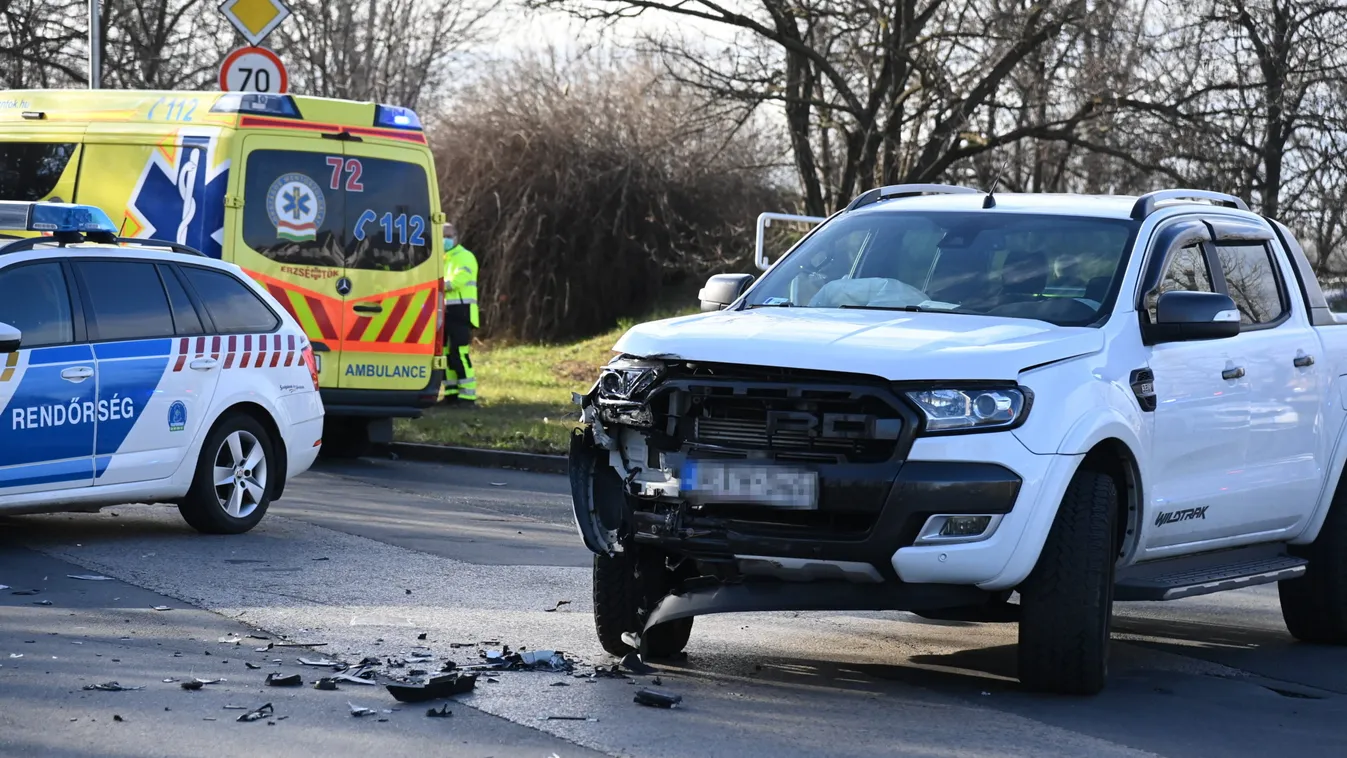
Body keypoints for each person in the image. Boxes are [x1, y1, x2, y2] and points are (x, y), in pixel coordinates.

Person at [441, 222, 478, 405]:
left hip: (462, 312)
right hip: (446, 311)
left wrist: (437, 285)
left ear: (456, 236)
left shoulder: (465, 257)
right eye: (442, 235)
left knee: (459, 353)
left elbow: (458, 281)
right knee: (446, 353)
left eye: (448, 235)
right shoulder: (443, 258)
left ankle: (467, 396)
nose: (445, 239)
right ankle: (451, 393)